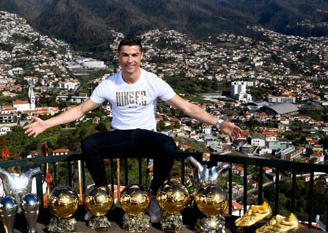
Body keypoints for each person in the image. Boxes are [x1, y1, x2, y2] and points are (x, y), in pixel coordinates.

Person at [24, 36, 242, 222]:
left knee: (168, 145)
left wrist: (218, 123)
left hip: (145, 136)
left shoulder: (153, 81)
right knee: (88, 144)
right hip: (119, 136)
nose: (130, 60)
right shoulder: (109, 84)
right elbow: (81, 109)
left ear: (141, 56)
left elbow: (185, 106)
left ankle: (154, 197)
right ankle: (104, 197)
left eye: (134, 55)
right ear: (119, 57)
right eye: (125, 55)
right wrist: (47, 123)